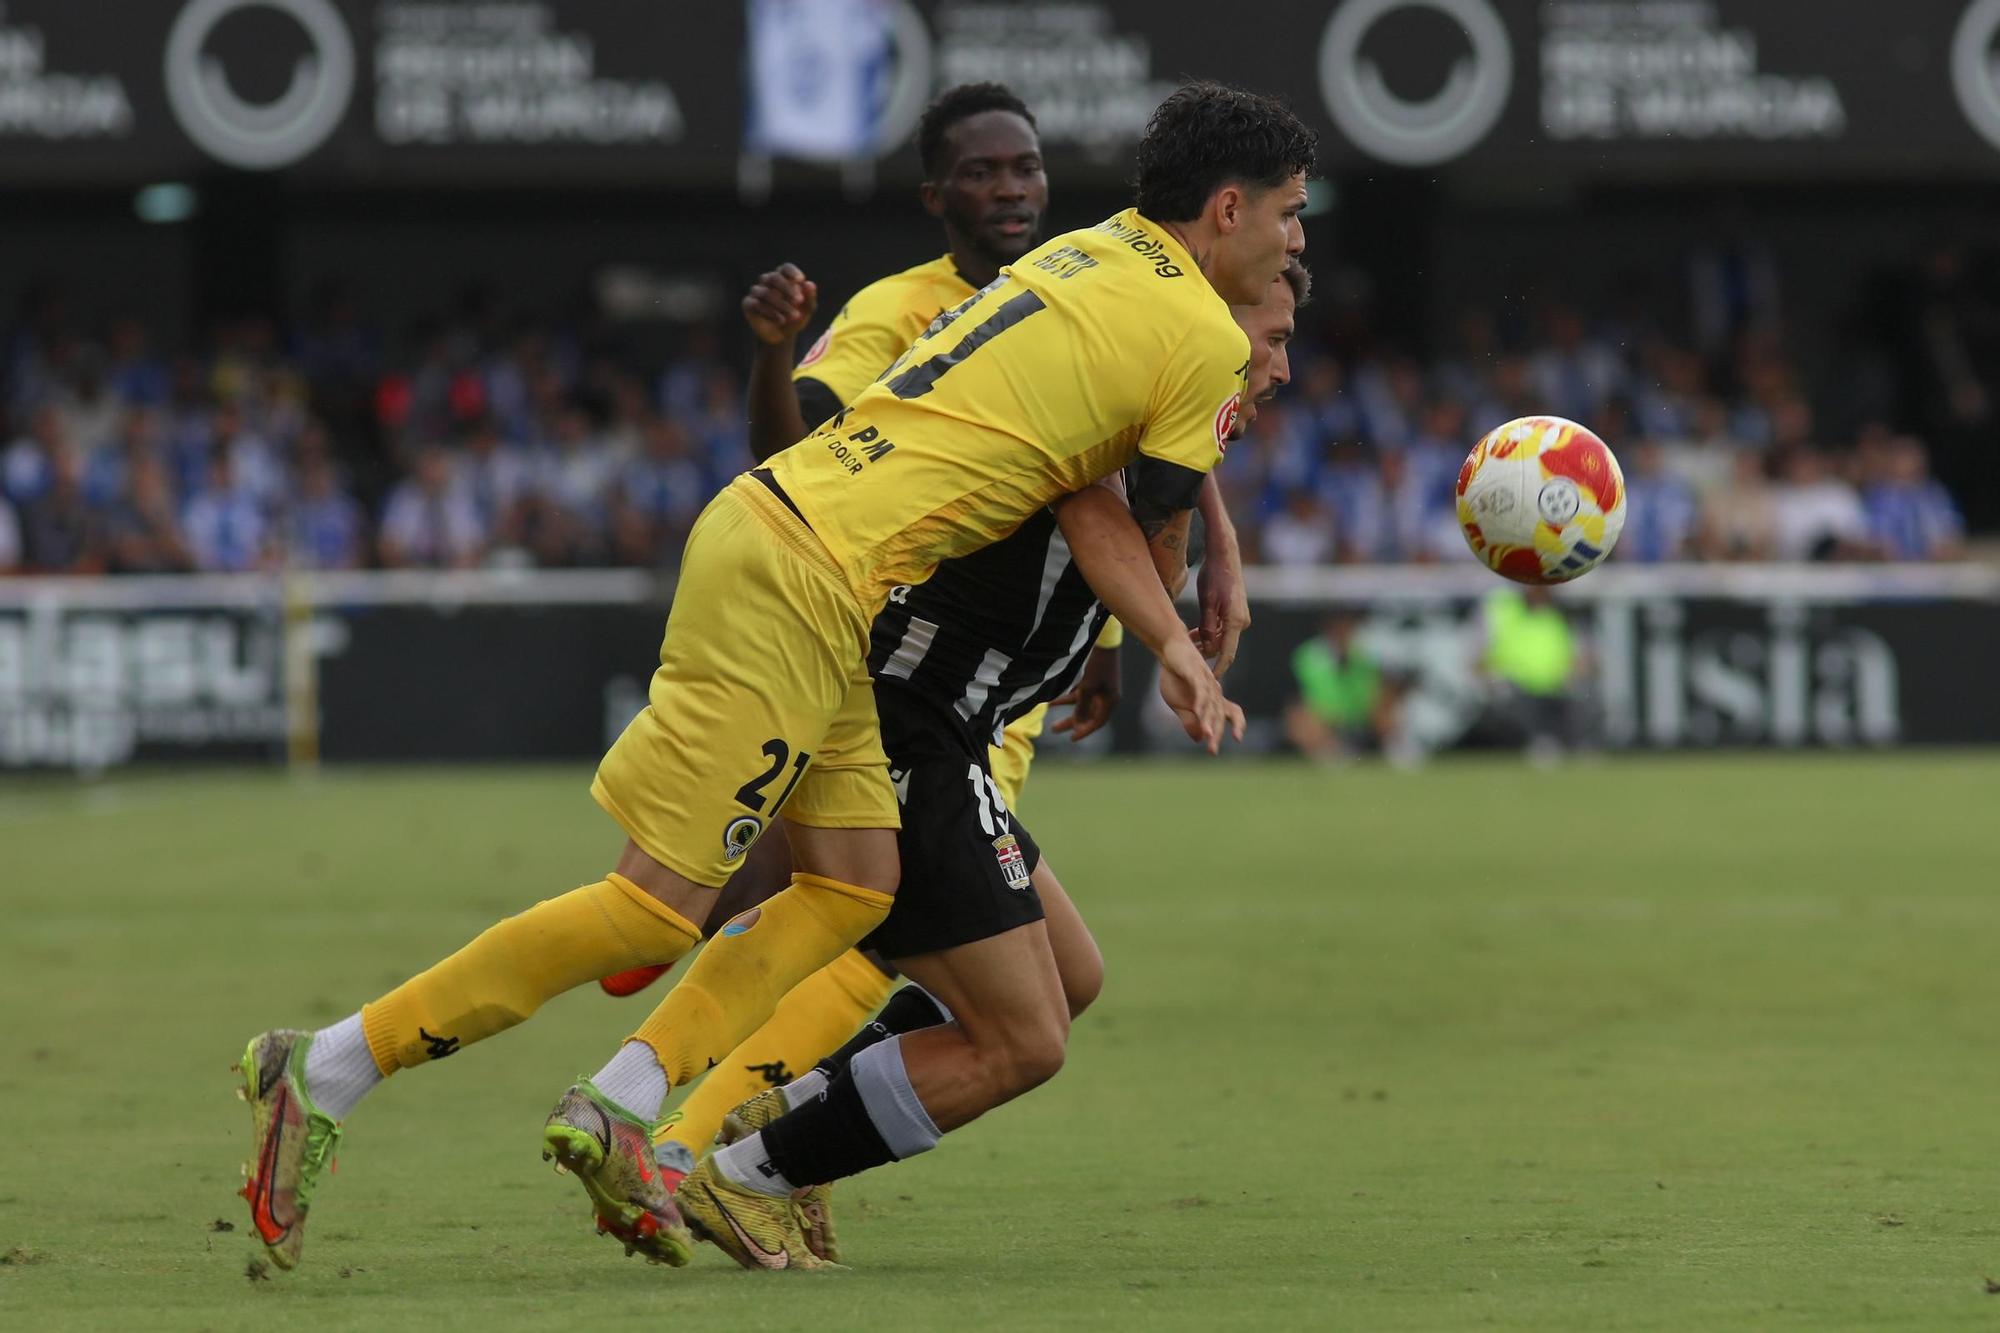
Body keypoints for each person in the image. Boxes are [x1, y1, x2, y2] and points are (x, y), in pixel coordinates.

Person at [233, 78, 1311, 1273]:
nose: (1296, 239)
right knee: (652, 905)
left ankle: (620, 1109)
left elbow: (1107, 466)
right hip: (800, 566)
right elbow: (1136, 499)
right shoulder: (1195, 332)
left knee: (851, 889)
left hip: (827, 581)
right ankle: (329, 1062)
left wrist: (1167, 615)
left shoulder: (1091, 252)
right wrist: (1175, 640)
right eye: (1289, 214)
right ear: (1225, 210)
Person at [672, 262, 1306, 1271]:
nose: (1276, 365)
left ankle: (784, 1112)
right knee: (1024, 1041)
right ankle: (747, 1171)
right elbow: (1094, 511)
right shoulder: (1098, 409)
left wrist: (1214, 546)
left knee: (1071, 975)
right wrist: (1170, 651)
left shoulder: (1158, 413)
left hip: (941, 730)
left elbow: (1164, 489)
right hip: (907, 724)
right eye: (1266, 340)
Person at [1283, 609, 1402, 761]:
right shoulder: (1309, 655)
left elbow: (1376, 689)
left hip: (1362, 714)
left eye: (1348, 627)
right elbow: (1309, 694)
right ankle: (1329, 752)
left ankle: (1394, 750)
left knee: (1388, 703)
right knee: (1299, 715)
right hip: (1326, 717)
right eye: (1338, 627)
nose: (1343, 632)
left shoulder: (1367, 653)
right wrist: (1331, 714)